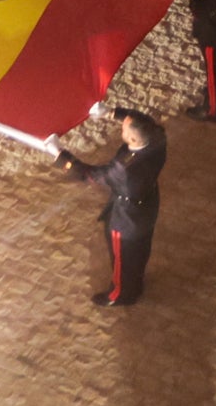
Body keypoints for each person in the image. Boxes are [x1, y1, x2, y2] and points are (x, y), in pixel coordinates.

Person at [58, 108, 164, 307]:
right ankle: (137, 281)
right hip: (148, 205)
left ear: (131, 139)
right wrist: (113, 113)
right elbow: (143, 121)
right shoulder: (158, 138)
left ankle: (121, 294)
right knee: (140, 249)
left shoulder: (124, 168)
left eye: (123, 128)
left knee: (122, 258)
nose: (121, 128)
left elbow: (90, 175)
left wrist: (61, 156)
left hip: (126, 218)